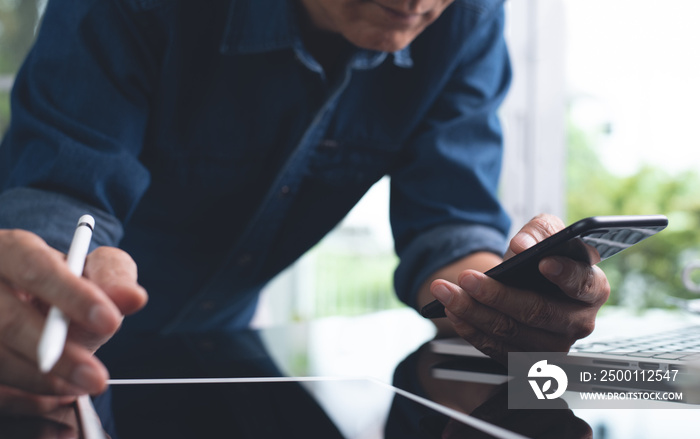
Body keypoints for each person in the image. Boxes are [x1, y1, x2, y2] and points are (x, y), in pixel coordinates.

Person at [0, 0, 609, 413]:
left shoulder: (469, 18)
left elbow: (448, 225)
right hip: (47, 361)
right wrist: (39, 287)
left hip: (228, 358)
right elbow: (62, 192)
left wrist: (499, 300)